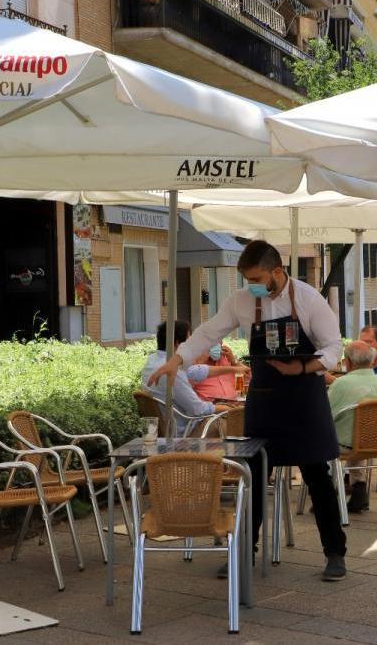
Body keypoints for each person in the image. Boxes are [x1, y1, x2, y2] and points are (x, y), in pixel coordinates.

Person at [147, 240, 348, 581]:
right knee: (252, 476)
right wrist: (176, 361)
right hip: (265, 399)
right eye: (246, 278)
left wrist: (301, 369)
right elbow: (208, 332)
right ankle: (243, 553)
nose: (250, 284)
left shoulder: (309, 299)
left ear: (277, 272)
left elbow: (334, 347)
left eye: (256, 277)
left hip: (304, 397)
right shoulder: (240, 301)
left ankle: (335, 554)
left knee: (317, 477)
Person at [328, 340, 377, 512]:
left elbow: (325, 417)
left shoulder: (341, 383)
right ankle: (359, 489)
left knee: (324, 438)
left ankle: (326, 497)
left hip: (345, 446)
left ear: (348, 362)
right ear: (372, 361)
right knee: (356, 434)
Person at [140, 321, 229, 436]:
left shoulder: (151, 362)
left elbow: (196, 371)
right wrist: (226, 408)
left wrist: (233, 369)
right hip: (186, 433)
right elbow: (198, 409)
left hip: (162, 431)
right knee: (235, 421)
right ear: (177, 344)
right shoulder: (172, 372)